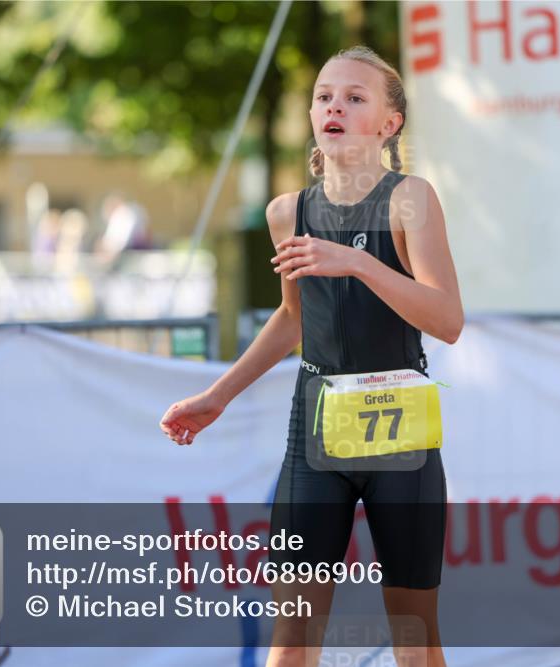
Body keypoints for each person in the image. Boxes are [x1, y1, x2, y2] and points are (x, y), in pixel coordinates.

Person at [160, 45, 463, 667]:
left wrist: (357, 261)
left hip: (401, 435)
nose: (335, 107)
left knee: (414, 635)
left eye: (354, 97)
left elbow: (447, 320)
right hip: (316, 434)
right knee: (293, 635)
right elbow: (294, 319)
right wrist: (217, 395)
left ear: (389, 123)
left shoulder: (411, 199)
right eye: (324, 96)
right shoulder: (287, 213)